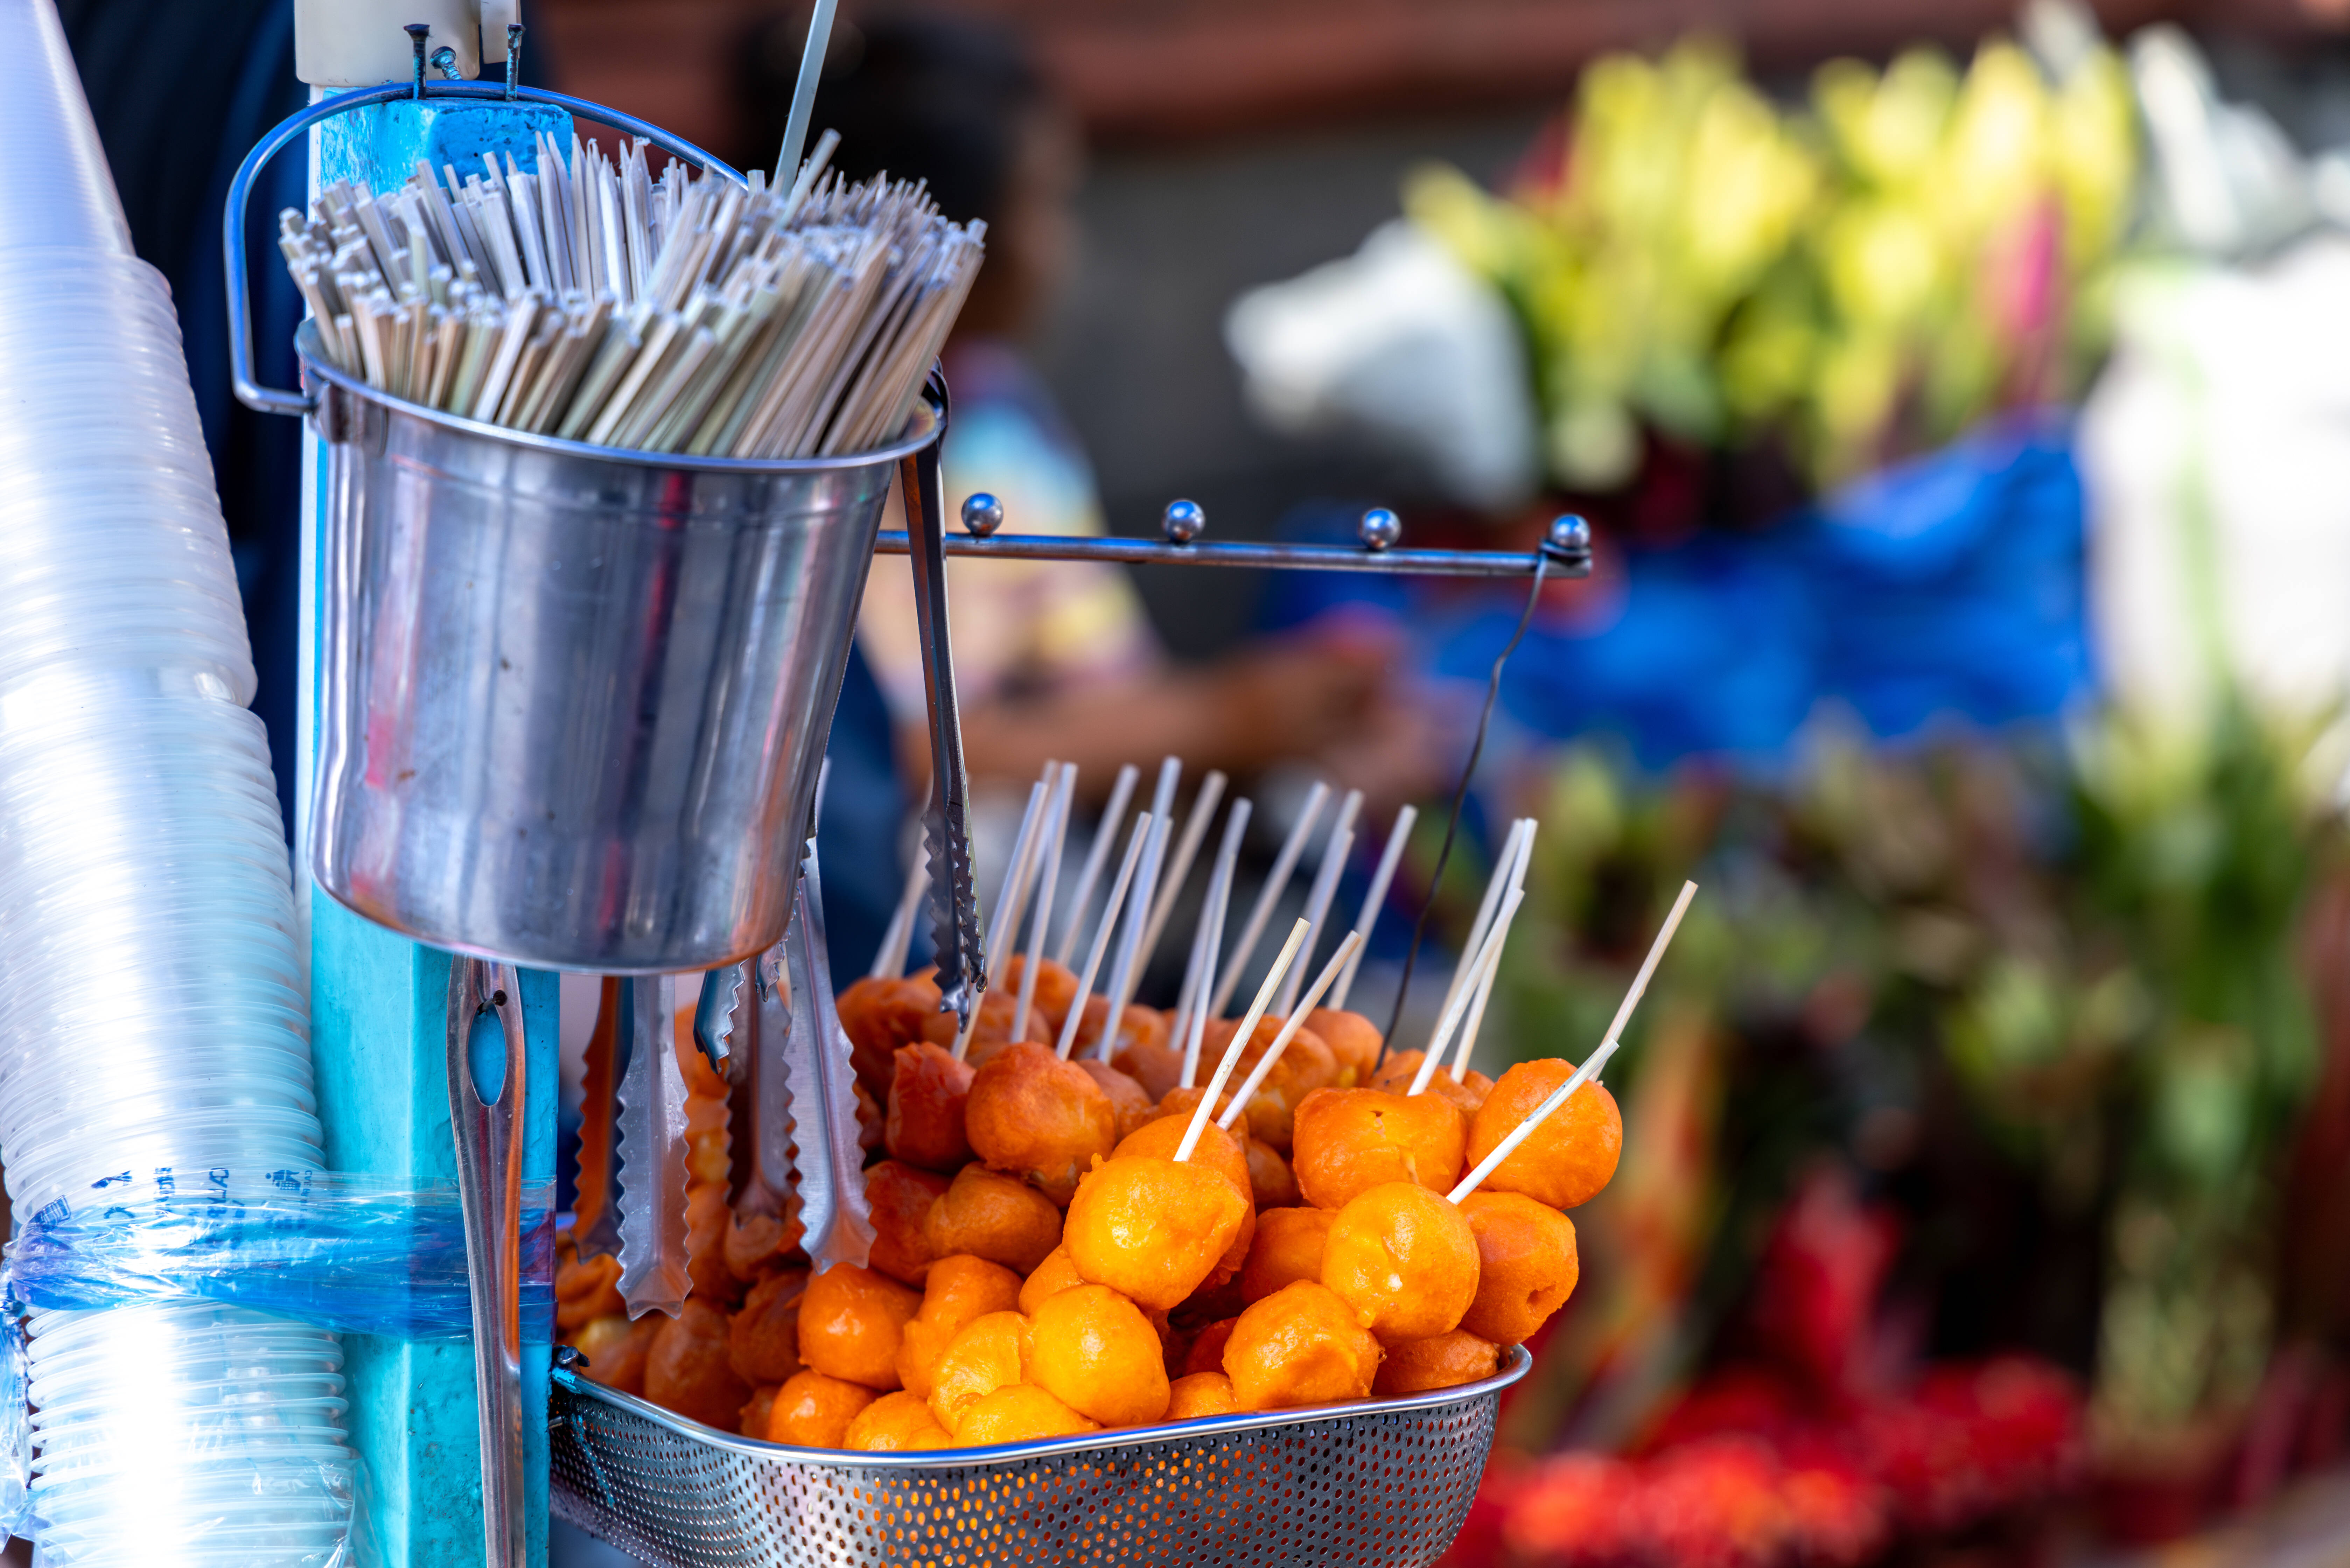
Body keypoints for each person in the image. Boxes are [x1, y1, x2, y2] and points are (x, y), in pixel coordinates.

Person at [734, 12, 1428, 800]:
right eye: (1043, 202)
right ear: (940, 237)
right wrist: (1220, 722)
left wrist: (1272, 728)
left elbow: (1106, 686)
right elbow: (856, 763)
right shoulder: (772, 452)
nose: (1063, 246)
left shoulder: (996, 417)